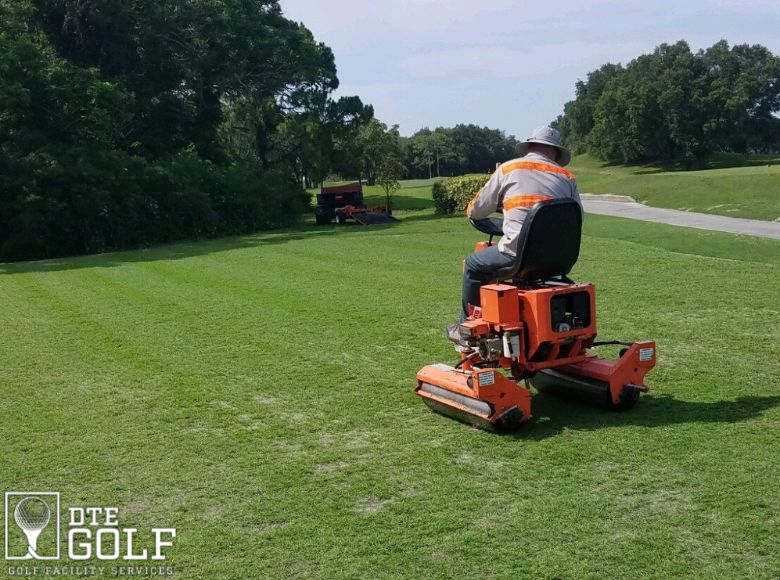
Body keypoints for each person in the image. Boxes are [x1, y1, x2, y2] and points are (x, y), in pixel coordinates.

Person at [454, 126, 581, 328]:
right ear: (554, 151)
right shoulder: (568, 178)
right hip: (559, 259)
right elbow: (576, 217)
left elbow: (477, 211)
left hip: (517, 255)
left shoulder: (509, 169)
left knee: (473, 265)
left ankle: (468, 328)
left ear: (530, 146)